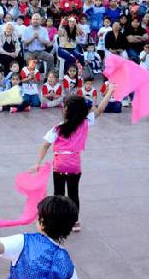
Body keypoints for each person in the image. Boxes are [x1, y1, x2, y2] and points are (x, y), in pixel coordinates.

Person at [30, 88, 114, 232]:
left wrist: (37, 163)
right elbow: (100, 109)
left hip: (59, 166)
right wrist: (110, 91)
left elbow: (45, 146)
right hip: (75, 166)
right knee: (73, 194)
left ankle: (57, 221)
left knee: (59, 194)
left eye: (65, 106)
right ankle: (75, 222)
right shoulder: (85, 124)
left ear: (67, 110)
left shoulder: (57, 129)